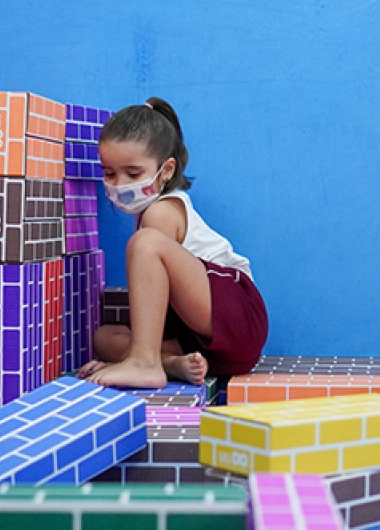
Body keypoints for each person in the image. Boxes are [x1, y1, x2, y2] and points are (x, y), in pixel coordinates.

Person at [77, 97, 268, 388]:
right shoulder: (148, 212)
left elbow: (159, 296)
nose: (119, 184)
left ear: (166, 170)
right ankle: (169, 364)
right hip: (205, 343)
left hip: (236, 318)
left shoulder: (161, 211)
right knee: (105, 338)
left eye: (133, 173)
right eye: (109, 173)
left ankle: (145, 363)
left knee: (146, 243)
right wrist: (119, 355)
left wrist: (137, 353)